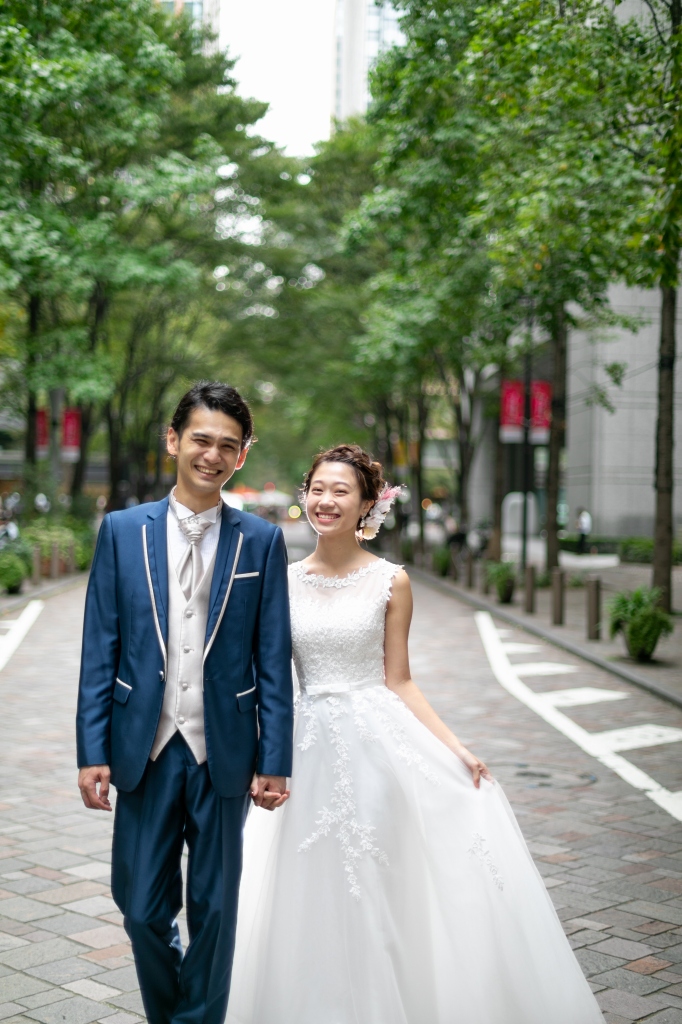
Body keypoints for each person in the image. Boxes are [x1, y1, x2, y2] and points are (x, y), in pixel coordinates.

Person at [226, 444, 605, 1024]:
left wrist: (454, 747)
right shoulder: (281, 580)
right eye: (318, 489)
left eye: (341, 491)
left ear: (367, 506)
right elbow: (270, 678)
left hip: (375, 745)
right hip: (301, 747)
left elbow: (399, 680)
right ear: (305, 497)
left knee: (376, 877)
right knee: (302, 885)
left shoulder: (391, 581)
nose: (326, 500)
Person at [76, 381, 293, 1024]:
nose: (212, 455)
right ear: (174, 440)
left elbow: (271, 657)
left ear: (242, 456)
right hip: (143, 743)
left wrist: (275, 756)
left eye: (228, 446)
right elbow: (100, 649)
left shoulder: (261, 541)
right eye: (201, 439)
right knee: (141, 908)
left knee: (216, 911)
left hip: (223, 747)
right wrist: (92, 750)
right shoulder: (120, 531)